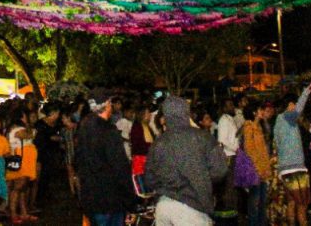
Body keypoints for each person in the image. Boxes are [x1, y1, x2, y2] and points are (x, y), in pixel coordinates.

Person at [144, 95, 227, 226]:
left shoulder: (158, 142)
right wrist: (203, 180)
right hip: (192, 205)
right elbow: (220, 170)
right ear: (186, 112)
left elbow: (149, 179)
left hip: (164, 206)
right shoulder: (203, 137)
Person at [75, 90, 136, 226]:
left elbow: (79, 163)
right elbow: (120, 168)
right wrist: (130, 203)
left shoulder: (84, 129)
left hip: (91, 198)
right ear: (107, 105)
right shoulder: (109, 132)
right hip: (110, 200)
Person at [273, 84, 311, 226]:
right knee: (302, 205)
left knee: (291, 203)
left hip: (285, 169)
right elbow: (297, 111)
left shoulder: (278, 122)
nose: (296, 108)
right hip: (295, 168)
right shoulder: (287, 117)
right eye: (294, 104)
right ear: (290, 105)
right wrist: (305, 93)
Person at [241, 102, 272, 226]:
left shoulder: (259, 127)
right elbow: (249, 150)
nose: (263, 111)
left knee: (262, 201)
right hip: (255, 170)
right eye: (260, 109)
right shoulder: (249, 127)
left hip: (263, 169)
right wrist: (257, 168)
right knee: (255, 202)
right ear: (254, 112)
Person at [4, 109, 36, 224]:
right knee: (18, 188)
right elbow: (29, 134)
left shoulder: (13, 129)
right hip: (21, 161)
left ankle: (23, 213)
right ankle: (13, 214)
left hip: (24, 161)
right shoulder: (17, 129)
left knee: (22, 188)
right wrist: (28, 125)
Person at [214, 97, 240, 225]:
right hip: (228, 156)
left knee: (231, 188)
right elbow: (222, 140)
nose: (232, 107)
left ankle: (231, 215)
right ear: (224, 108)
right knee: (228, 188)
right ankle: (226, 218)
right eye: (229, 105)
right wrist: (236, 148)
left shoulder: (230, 120)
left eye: (232, 104)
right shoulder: (224, 120)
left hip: (232, 155)